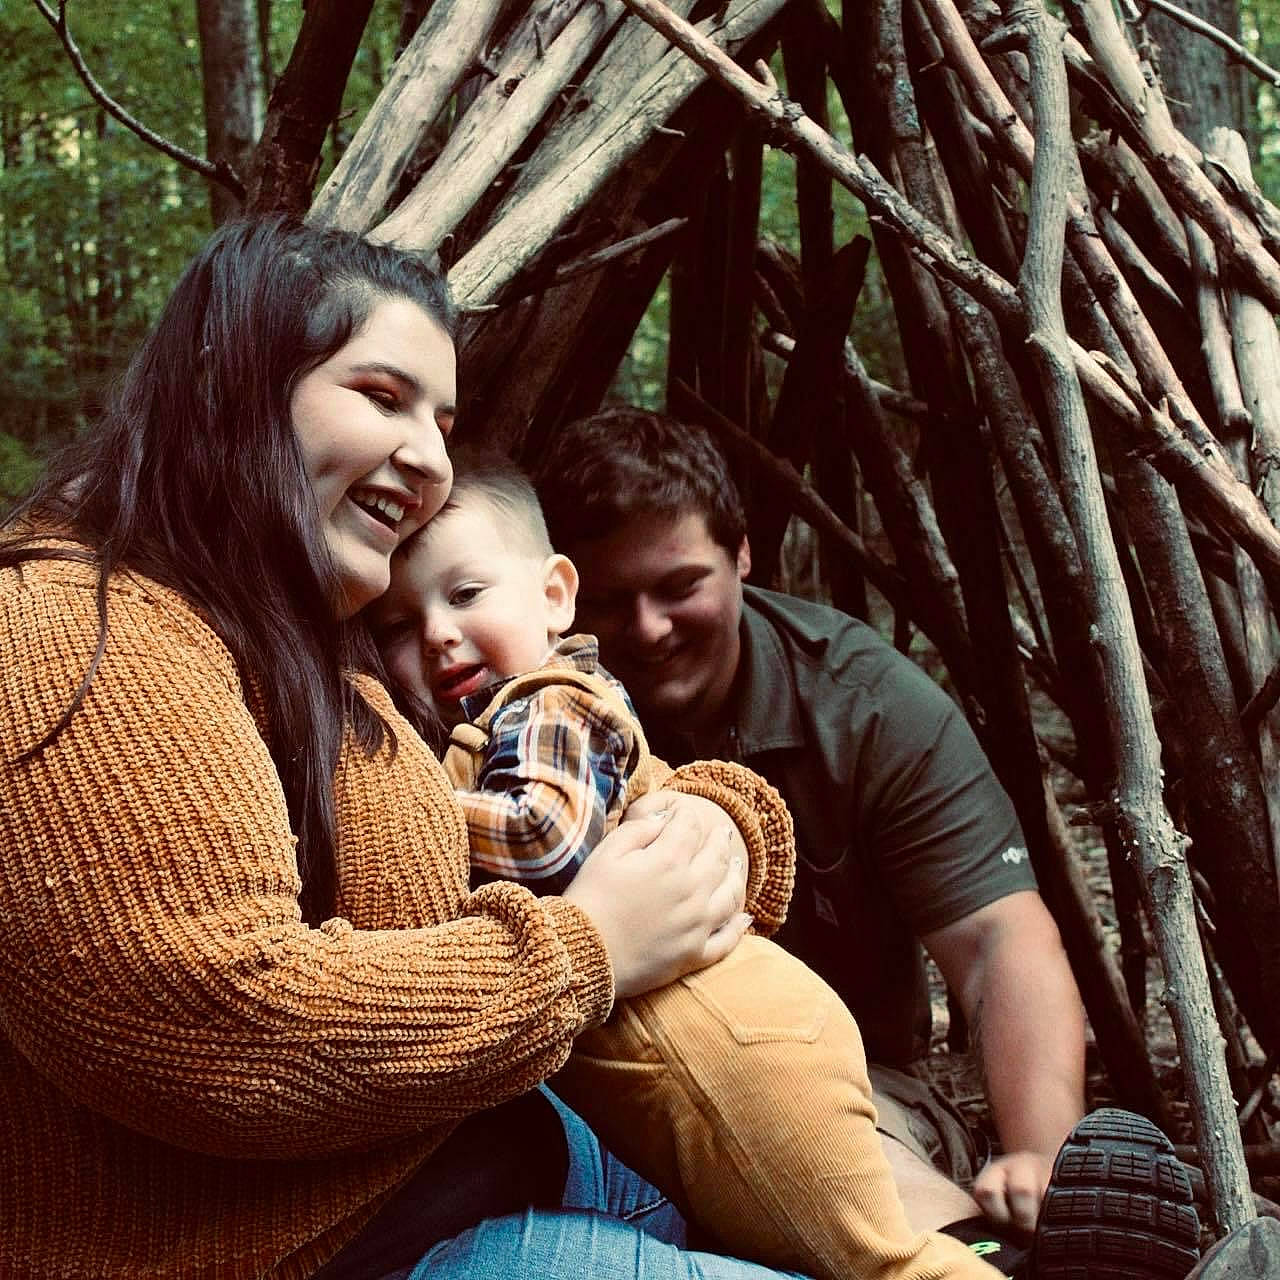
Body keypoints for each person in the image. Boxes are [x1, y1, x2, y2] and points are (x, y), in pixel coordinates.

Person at [0, 216, 827, 1280]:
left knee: (848, 1187)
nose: (432, 460)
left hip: (498, 1154)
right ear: (228, 384)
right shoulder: (71, 628)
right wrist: (585, 949)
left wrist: (719, 814)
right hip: (326, 1248)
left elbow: (549, 765)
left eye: (441, 421)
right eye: (383, 397)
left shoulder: (306, 641)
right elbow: (213, 1022)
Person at [369, 445, 1008, 1280]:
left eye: (464, 595)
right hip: (689, 1060)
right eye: (396, 626)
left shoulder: (546, 705)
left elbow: (542, 840)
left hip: (728, 1052)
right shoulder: (498, 720)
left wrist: (391, 815)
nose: (437, 633)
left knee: (875, 1256)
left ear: (554, 596)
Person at [531, 406, 1088, 1242]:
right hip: (605, 1098)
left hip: (852, 1092)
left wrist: (1041, 1160)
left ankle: (993, 1260)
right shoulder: (526, 721)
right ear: (559, 594)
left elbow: (996, 938)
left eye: (680, 587)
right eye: (610, 601)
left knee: (844, 1163)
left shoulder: (866, 710)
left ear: (742, 554)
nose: (647, 629)